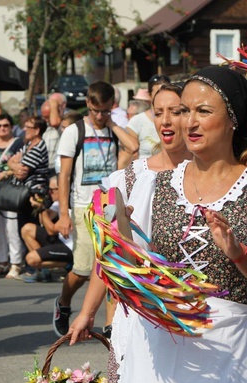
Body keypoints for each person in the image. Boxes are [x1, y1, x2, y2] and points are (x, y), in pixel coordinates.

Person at [70, 66, 247, 383]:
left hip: (224, 345)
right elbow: (130, 267)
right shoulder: (152, 184)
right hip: (156, 345)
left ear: (233, 119)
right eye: (185, 110)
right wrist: (115, 236)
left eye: (203, 112)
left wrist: (239, 253)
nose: (188, 122)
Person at [80, 83, 192, 339]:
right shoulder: (129, 179)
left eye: (175, 112)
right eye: (158, 112)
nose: (165, 121)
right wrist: (87, 312)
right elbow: (107, 253)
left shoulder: (208, 176)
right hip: (140, 315)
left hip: (193, 311)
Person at [54, 81, 137, 337]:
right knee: (82, 270)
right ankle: (64, 302)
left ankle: (110, 325)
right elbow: (64, 175)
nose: (99, 116)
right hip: (81, 206)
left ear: (111, 107)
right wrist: (64, 213)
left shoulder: (112, 129)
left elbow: (133, 147)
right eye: (95, 110)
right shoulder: (74, 131)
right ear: (88, 104)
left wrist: (111, 124)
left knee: (110, 264)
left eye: (105, 111)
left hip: (109, 206)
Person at [0, 113, 26, 279]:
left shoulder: (18, 143)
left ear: (11, 127)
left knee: (12, 227)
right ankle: (2, 260)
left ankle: (16, 262)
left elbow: (21, 164)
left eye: (5, 125)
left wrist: (6, 173)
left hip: (11, 189)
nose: (2, 128)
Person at [7, 116, 50, 251]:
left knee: (30, 230)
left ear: (37, 130)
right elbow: (11, 161)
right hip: (23, 194)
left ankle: (37, 265)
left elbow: (22, 171)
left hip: (33, 196)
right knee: (22, 229)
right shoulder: (27, 145)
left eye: (28, 127)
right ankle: (32, 264)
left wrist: (12, 164)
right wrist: (13, 164)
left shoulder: (38, 148)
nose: (25, 130)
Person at [21, 176, 73, 283]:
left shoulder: (72, 206)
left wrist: (43, 209)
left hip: (71, 247)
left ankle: (71, 264)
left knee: (31, 259)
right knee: (27, 229)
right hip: (61, 241)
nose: (49, 193)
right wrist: (42, 202)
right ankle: (45, 271)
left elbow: (51, 230)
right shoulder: (58, 203)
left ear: (62, 189)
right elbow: (43, 221)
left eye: (51, 190)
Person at [124, 75, 172, 165]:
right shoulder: (137, 121)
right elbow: (127, 154)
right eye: (158, 93)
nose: (163, 96)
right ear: (150, 95)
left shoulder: (177, 120)